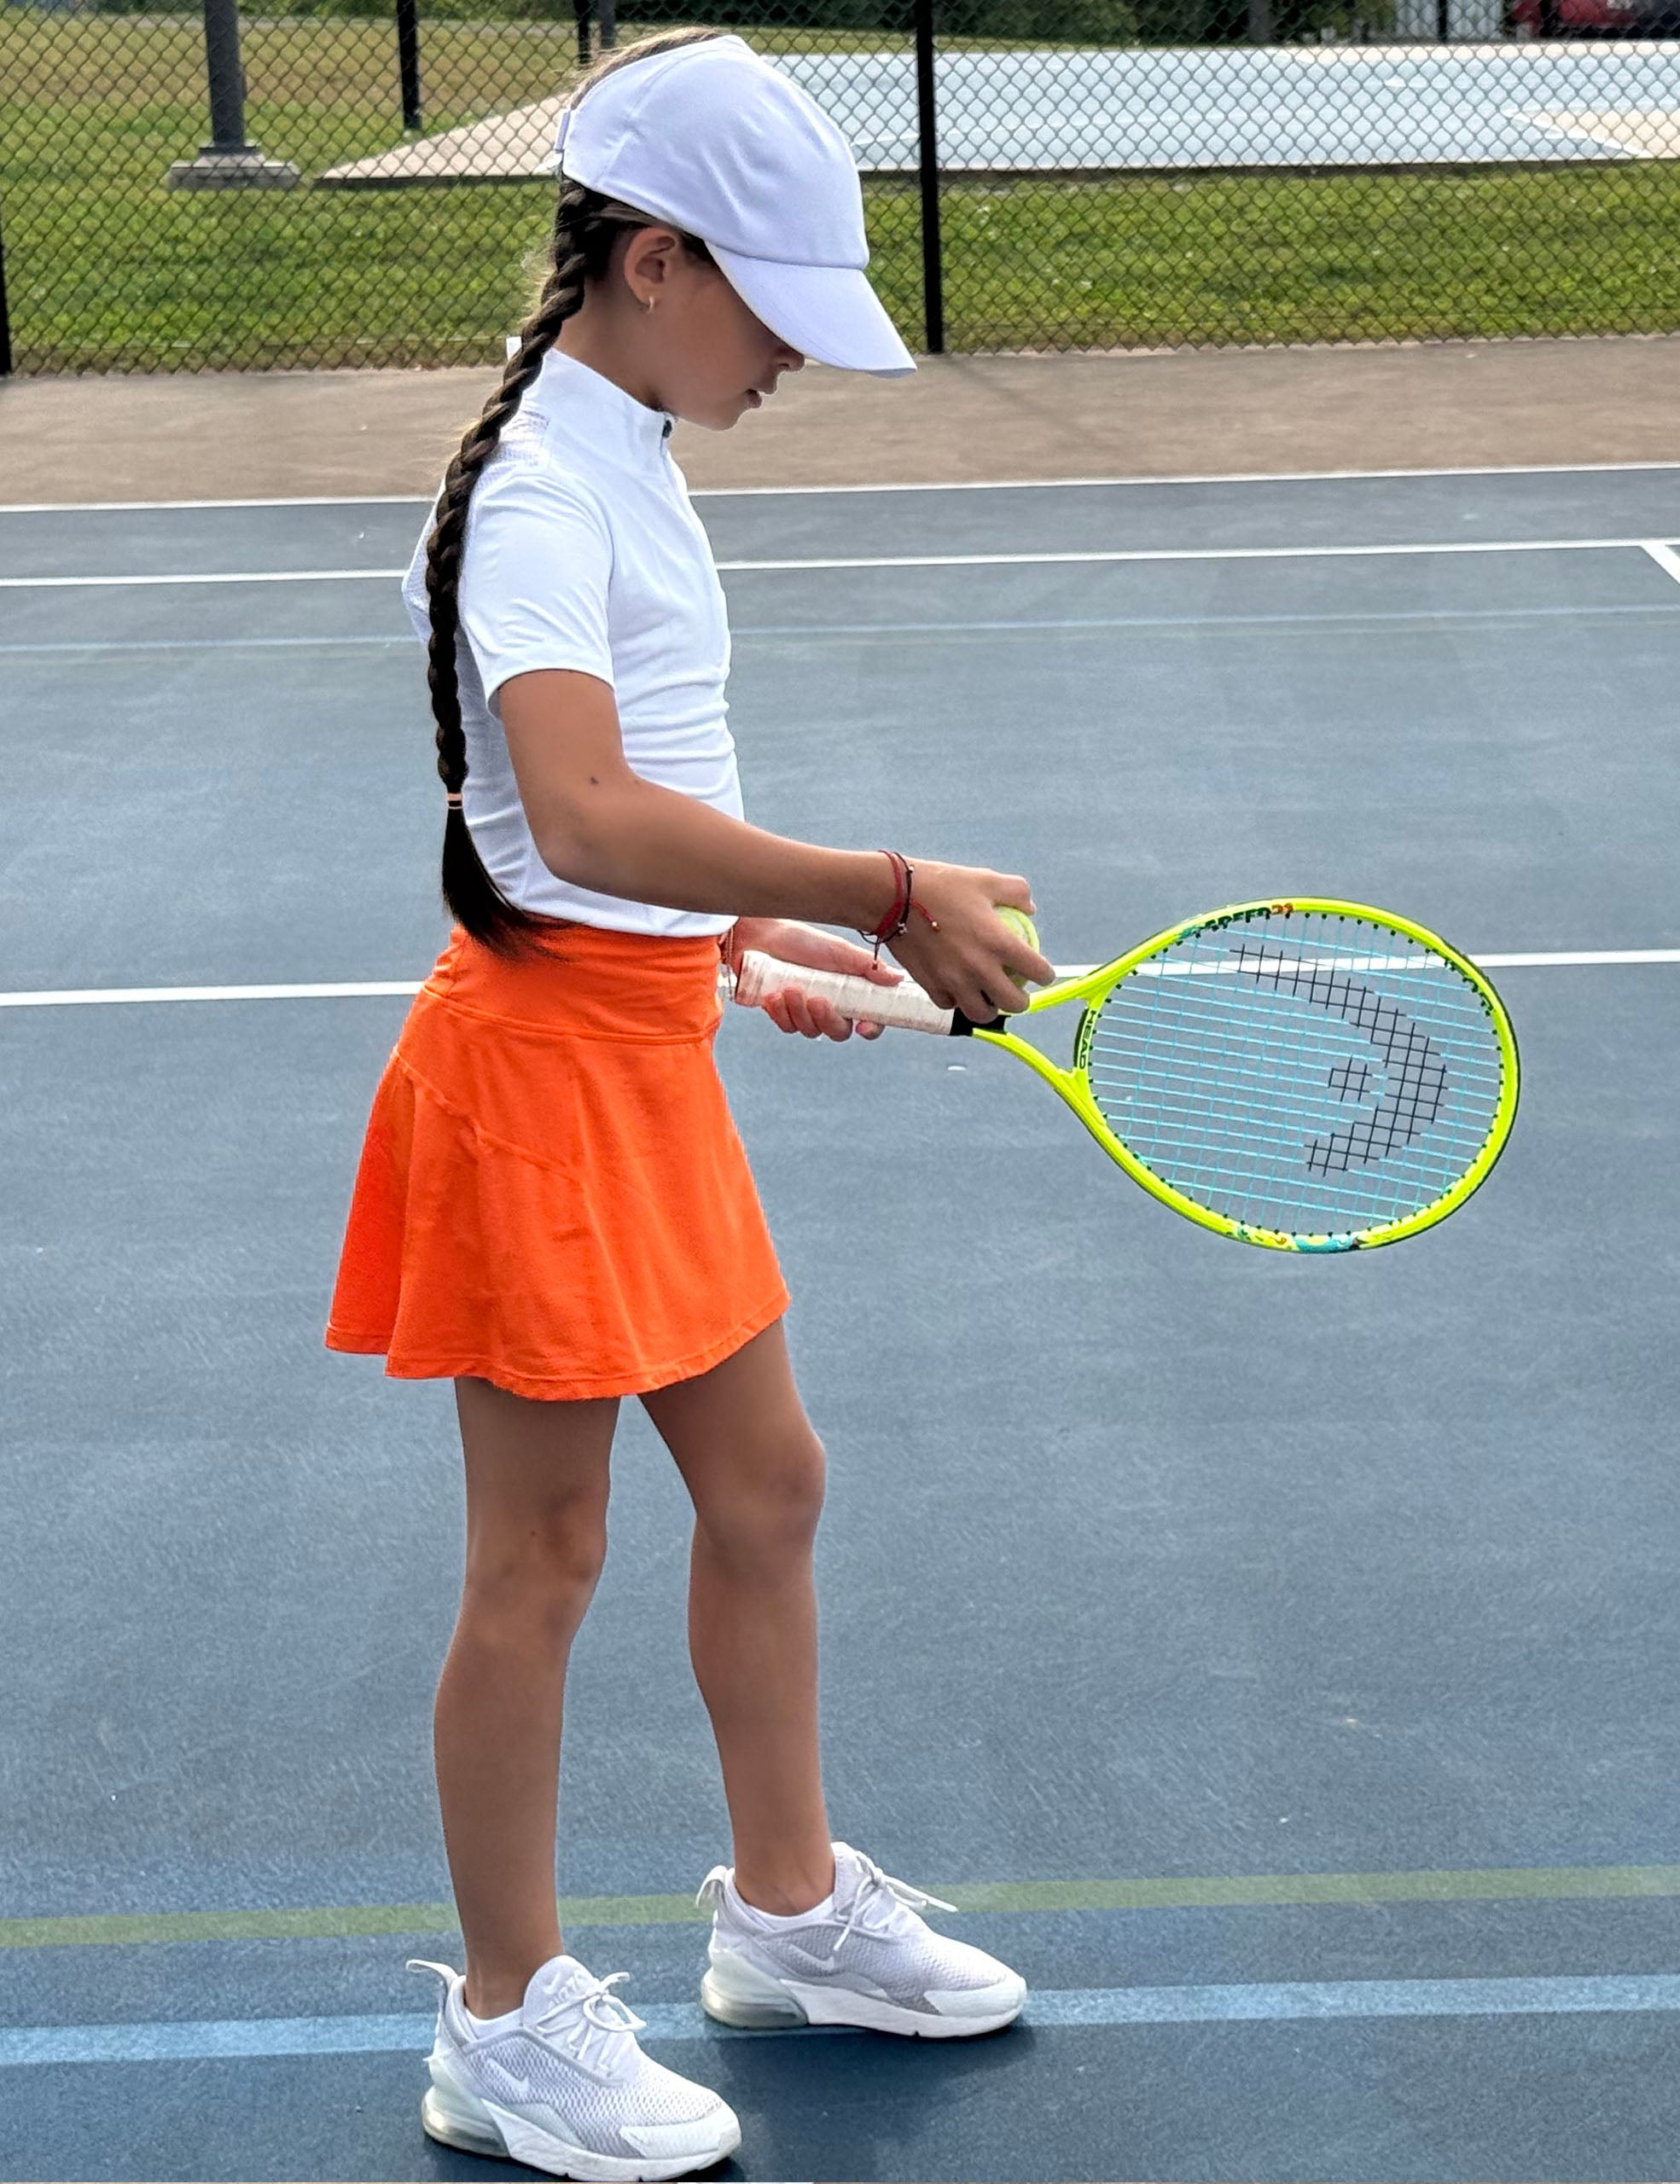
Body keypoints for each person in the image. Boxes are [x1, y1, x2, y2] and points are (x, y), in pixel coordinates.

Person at [324, 29, 1053, 2181]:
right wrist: (882, 890)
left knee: (771, 1486)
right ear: (654, 263)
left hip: (630, 1041)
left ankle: (787, 1908)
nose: (793, 364)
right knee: (540, 1551)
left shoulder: (624, 449)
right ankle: (502, 2022)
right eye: (774, 314)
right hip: (534, 1078)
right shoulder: (546, 490)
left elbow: (599, 827)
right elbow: (573, 803)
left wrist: (746, 954)